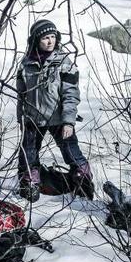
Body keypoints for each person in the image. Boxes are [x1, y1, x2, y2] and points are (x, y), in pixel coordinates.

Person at [16, 19, 93, 202]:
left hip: (59, 118)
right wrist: (22, 118)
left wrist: (68, 121)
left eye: (52, 37)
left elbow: (71, 94)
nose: (49, 41)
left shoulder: (63, 62)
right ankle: (30, 184)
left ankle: (83, 182)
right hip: (33, 119)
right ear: (35, 40)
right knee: (28, 154)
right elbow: (21, 93)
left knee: (71, 151)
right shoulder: (26, 64)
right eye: (45, 38)